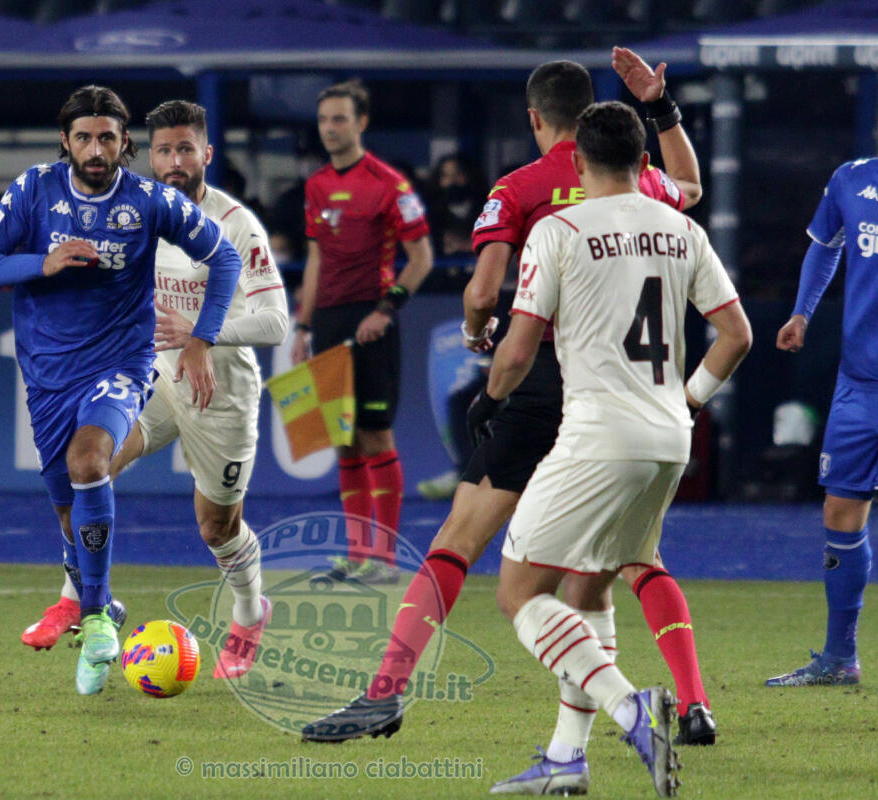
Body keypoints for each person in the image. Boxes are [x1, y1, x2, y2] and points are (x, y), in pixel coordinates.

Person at [304, 50, 719, 748]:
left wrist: (480, 343)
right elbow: (692, 186)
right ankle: (656, 715)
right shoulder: (641, 180)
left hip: (545, 379)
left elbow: (481, 293)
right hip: (628, 390)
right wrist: (661, 108)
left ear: (535, 119)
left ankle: (386, 692)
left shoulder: (520, 187)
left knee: (459, 542)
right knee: (616, 568)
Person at [482, 100, 750, 796]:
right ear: (644, 161)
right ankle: (566, 760)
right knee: (590, 585)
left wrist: (491, 397)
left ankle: (633, 710)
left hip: (597, 437)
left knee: (519, 593)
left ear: (577, 161)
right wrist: (688, 401)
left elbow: (519, 348)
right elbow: (737, 335)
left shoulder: (558, 229)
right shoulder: (681, 228)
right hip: (668, 440)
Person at [0, 85, 243, 696]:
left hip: (121, 361)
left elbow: (224, 258)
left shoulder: (149, 200)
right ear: (65, 141)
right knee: (68, 507)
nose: (96, 150)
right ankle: (103, 604)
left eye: (108, 138)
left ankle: (93, 618)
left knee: (90, 461)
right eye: (85, 138)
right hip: (48, 373)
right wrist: (42, 262)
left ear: (125, 143)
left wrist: (201, 338)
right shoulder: (33, 189)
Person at [20, 99, 289, 681]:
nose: (174, 161)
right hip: (152, 376)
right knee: (87, 465)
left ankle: (249, 612)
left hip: (219, 389)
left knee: (216, 528)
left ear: (206, 154)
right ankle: (82, 599)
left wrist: (203, 334)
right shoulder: (135, 211)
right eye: (164, 150)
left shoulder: (236, 224)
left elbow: (276, 323)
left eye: (185, 149)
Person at [767, 67, 878, 690]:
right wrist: (801, 313)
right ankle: (839, 658)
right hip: (857, 384)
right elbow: (824, 245)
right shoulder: (851, 181)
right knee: (840, 510)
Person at [292, 79, 434, 584]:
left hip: (370, 322)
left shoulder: (389, 184)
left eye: (340, 119)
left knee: (375, 435)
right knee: (343, 440)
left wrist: (386, 310)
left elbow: (422, 258)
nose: (330, 128)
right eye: (324, 119)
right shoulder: (315, 186)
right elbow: (315, 259)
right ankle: (356, 555)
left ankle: (386, 560)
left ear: (362, 123)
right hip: (329, 323)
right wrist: (303, 325)